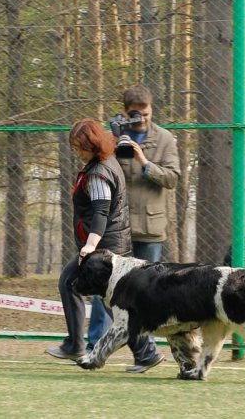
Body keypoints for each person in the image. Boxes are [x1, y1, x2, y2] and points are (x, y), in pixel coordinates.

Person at [86, 84, 180, 373]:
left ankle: (145, 351)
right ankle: (94, 347)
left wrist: (144, 161)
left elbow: (172, 178)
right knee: (104, 287)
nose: (142, 120)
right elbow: (99, 169)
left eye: (147, 114)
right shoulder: (115, 134)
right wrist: (112, 139)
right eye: (135, 115)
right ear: (125, 112)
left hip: (150, 227)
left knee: (146, 293)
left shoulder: (164, 138)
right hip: (119, 227)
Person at [45, 118, 132, 360]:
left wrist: (90, 245)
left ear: (92, 147)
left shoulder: (98, 175)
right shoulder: (107, 160)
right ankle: (146, 352)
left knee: (70, 283)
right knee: (113, 303)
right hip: (114, 243)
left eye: (79, 148)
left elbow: (101, 212)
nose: (76, 153)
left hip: (105, 247)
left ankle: (75, 345)